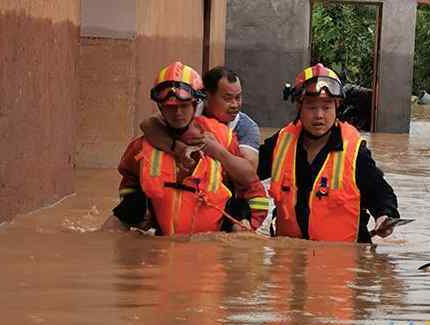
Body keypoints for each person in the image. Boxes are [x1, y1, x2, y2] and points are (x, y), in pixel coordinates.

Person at [108, 62, 267, 234]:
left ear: (196, 103)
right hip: (163, 245)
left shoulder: (226, 136)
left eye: (184, 106)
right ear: (160, 106)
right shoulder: (145, 144)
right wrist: (138, 209)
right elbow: (128, 179)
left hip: (212, 248)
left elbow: (252, 185)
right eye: (171, 107)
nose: (178, 113)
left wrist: (245, 220)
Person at [258, 63, 400, 243]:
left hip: (342, 260)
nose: (319, 115)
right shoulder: (280, 144)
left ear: (337, 107)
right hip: (289, 259)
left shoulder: (355, 152)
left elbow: (381, 193)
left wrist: (384, 217)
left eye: (326, 108)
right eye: (311, 107)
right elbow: (246, 177)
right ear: (298, 108)